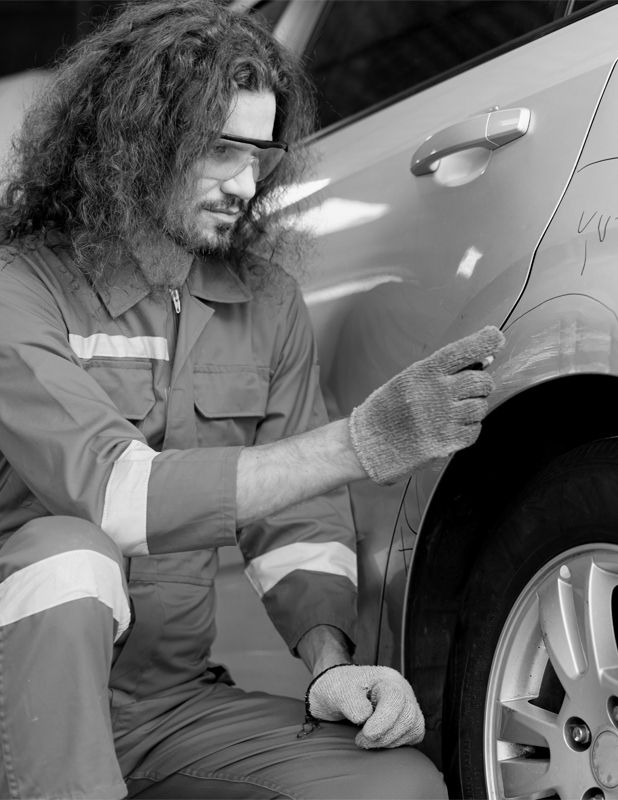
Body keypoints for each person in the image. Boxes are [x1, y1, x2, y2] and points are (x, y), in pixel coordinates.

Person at [0, 1, 504, 798]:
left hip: (163, 707)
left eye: (260, 158)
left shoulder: (264, 302)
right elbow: (115, 494)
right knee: (70, 555)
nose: (245, 183)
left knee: (396, 789)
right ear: (134, 139)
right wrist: (358, 442)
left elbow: (296, 525)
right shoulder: (19, 290)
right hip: (22, 698)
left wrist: (330, 664)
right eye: (219, 150)